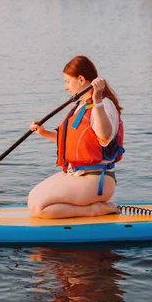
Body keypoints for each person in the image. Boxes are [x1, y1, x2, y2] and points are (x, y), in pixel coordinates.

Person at [28, 56, 124, 219]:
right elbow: (74, 142)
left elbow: (105, 137)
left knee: (40, 208)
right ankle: (85, 206)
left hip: (97, 180)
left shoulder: (104, 104)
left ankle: (95, 210)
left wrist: (98, 101)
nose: (66, 87)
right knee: (32, 200)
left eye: (67, 81)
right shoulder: (80, 106)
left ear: (80, 79)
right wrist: (44, 133)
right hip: (76, 174)